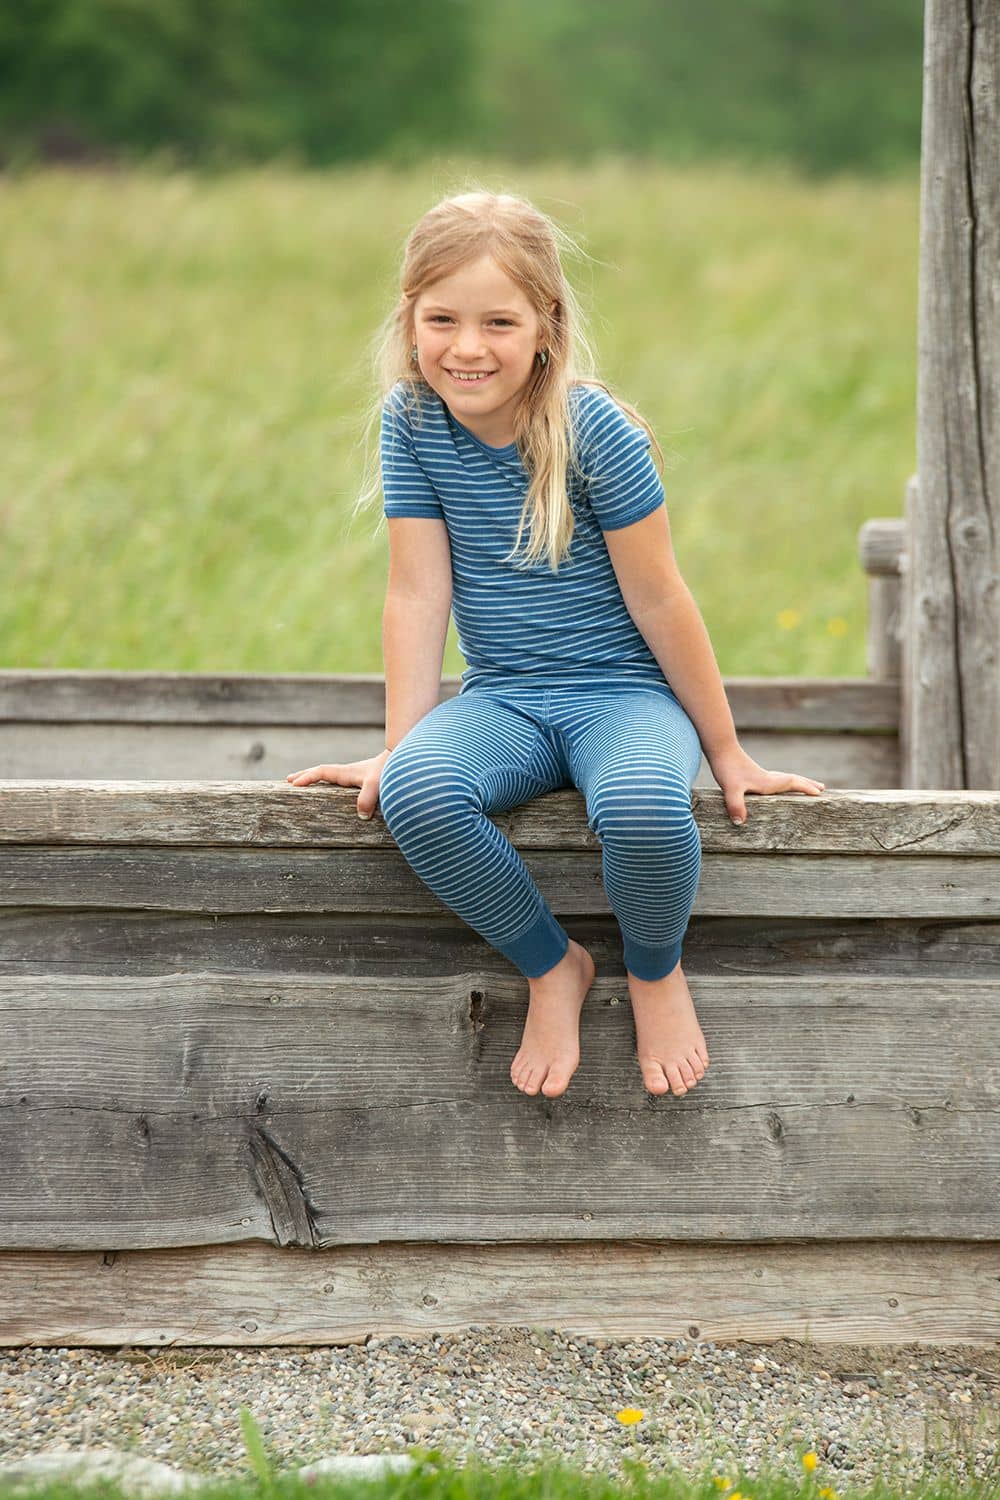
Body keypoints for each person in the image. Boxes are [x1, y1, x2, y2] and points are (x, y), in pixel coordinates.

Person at [287, 188, 824, 1103]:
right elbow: (418, 594)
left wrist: (728, 750)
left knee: (649, 807)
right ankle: (553, 965)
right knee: (416, 793)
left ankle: (655, 970)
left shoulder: (594, 432)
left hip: (625, 695)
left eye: (498, 321)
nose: (467, 347)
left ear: (545, 325)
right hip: (504, 698)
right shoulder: (410, 424)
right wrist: (397, 743)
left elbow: (662, 598)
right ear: (409, 321)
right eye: (441, 319)